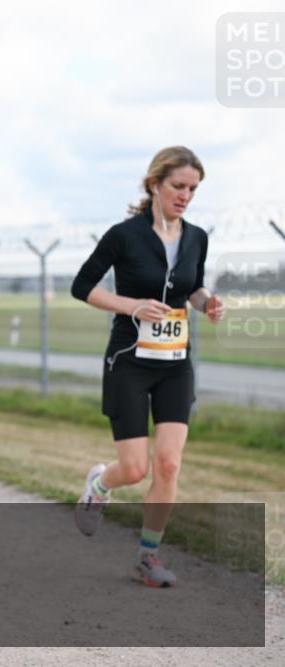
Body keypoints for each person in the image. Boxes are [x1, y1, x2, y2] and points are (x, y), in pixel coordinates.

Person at [71, 146, 226, 587]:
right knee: (135, 468)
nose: (186, 196)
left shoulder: (196, 237)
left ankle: (148, 557)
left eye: (193, 189)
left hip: (176, 363)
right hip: (129, 362)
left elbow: (192, 288)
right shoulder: (124, 235)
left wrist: (207, 302)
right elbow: (83, 287)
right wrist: (133, 306)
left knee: (169, 464)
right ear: (155, 184)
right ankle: (101, 483)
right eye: (178, 186)